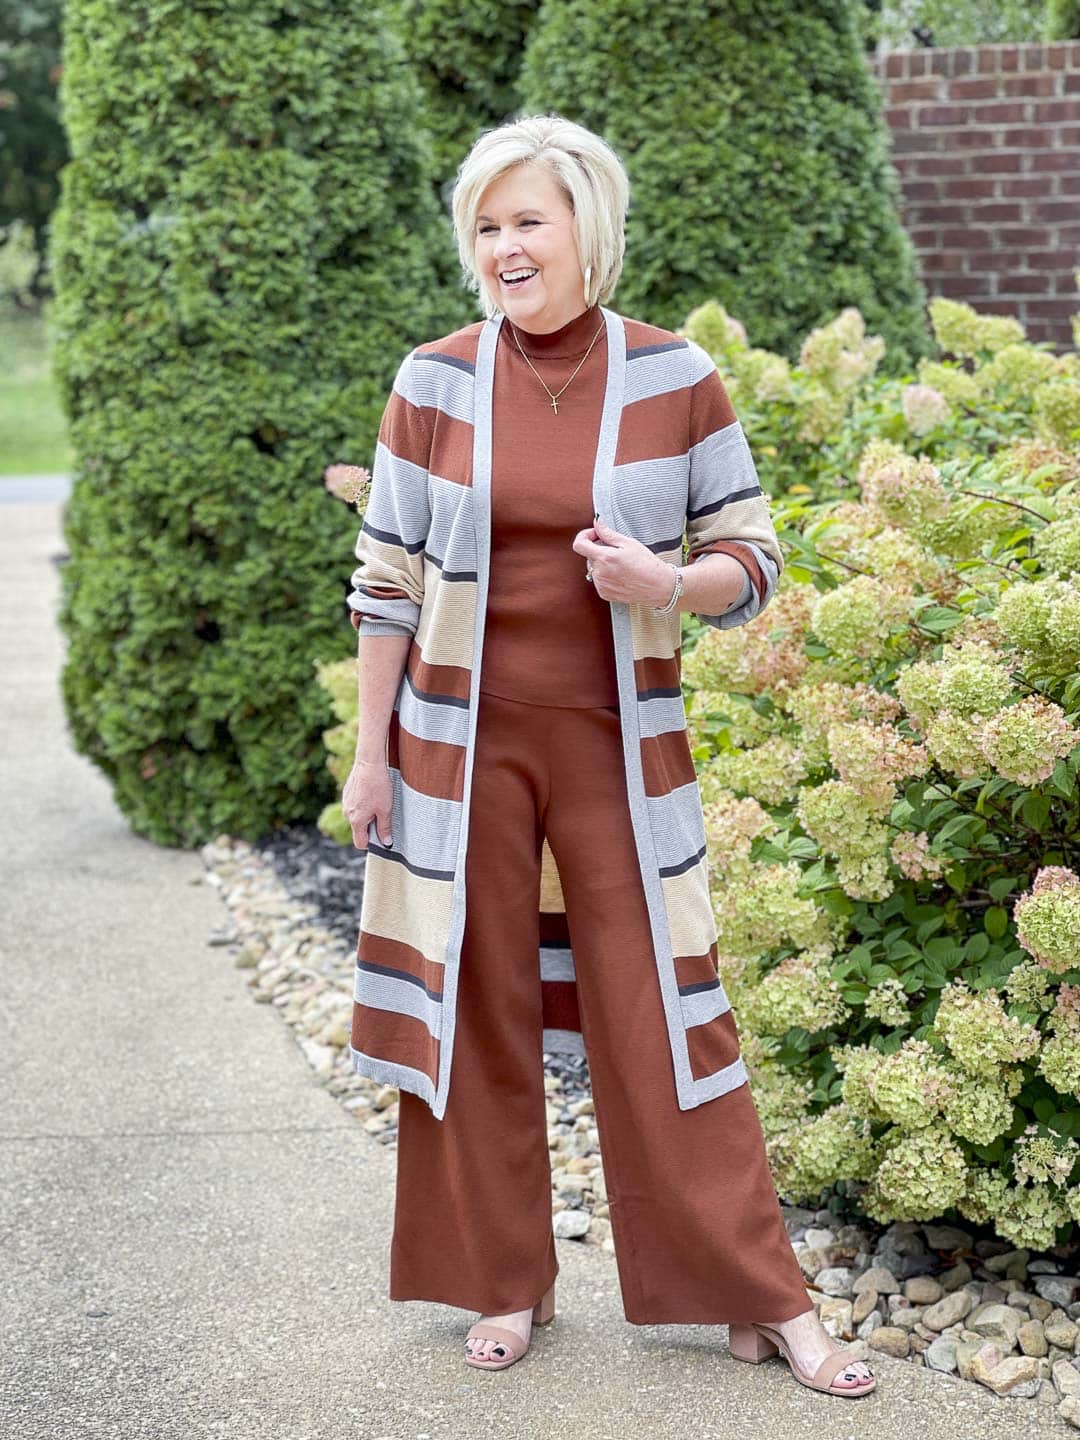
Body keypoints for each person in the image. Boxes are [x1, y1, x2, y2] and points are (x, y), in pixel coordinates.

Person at [340, 113, 876, 1397]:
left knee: (667, 1014)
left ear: (589, 227)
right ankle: (503, 1280)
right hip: (454, 751)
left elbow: (752, 558)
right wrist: (372, 758)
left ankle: (760, 1298)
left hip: (620, 756)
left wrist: (664, 579)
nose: (505, 247)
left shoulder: (673, 374)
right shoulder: (433, 379)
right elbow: (386, 583)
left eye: (529, 220)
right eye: (487, 226)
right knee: (476, 1005)